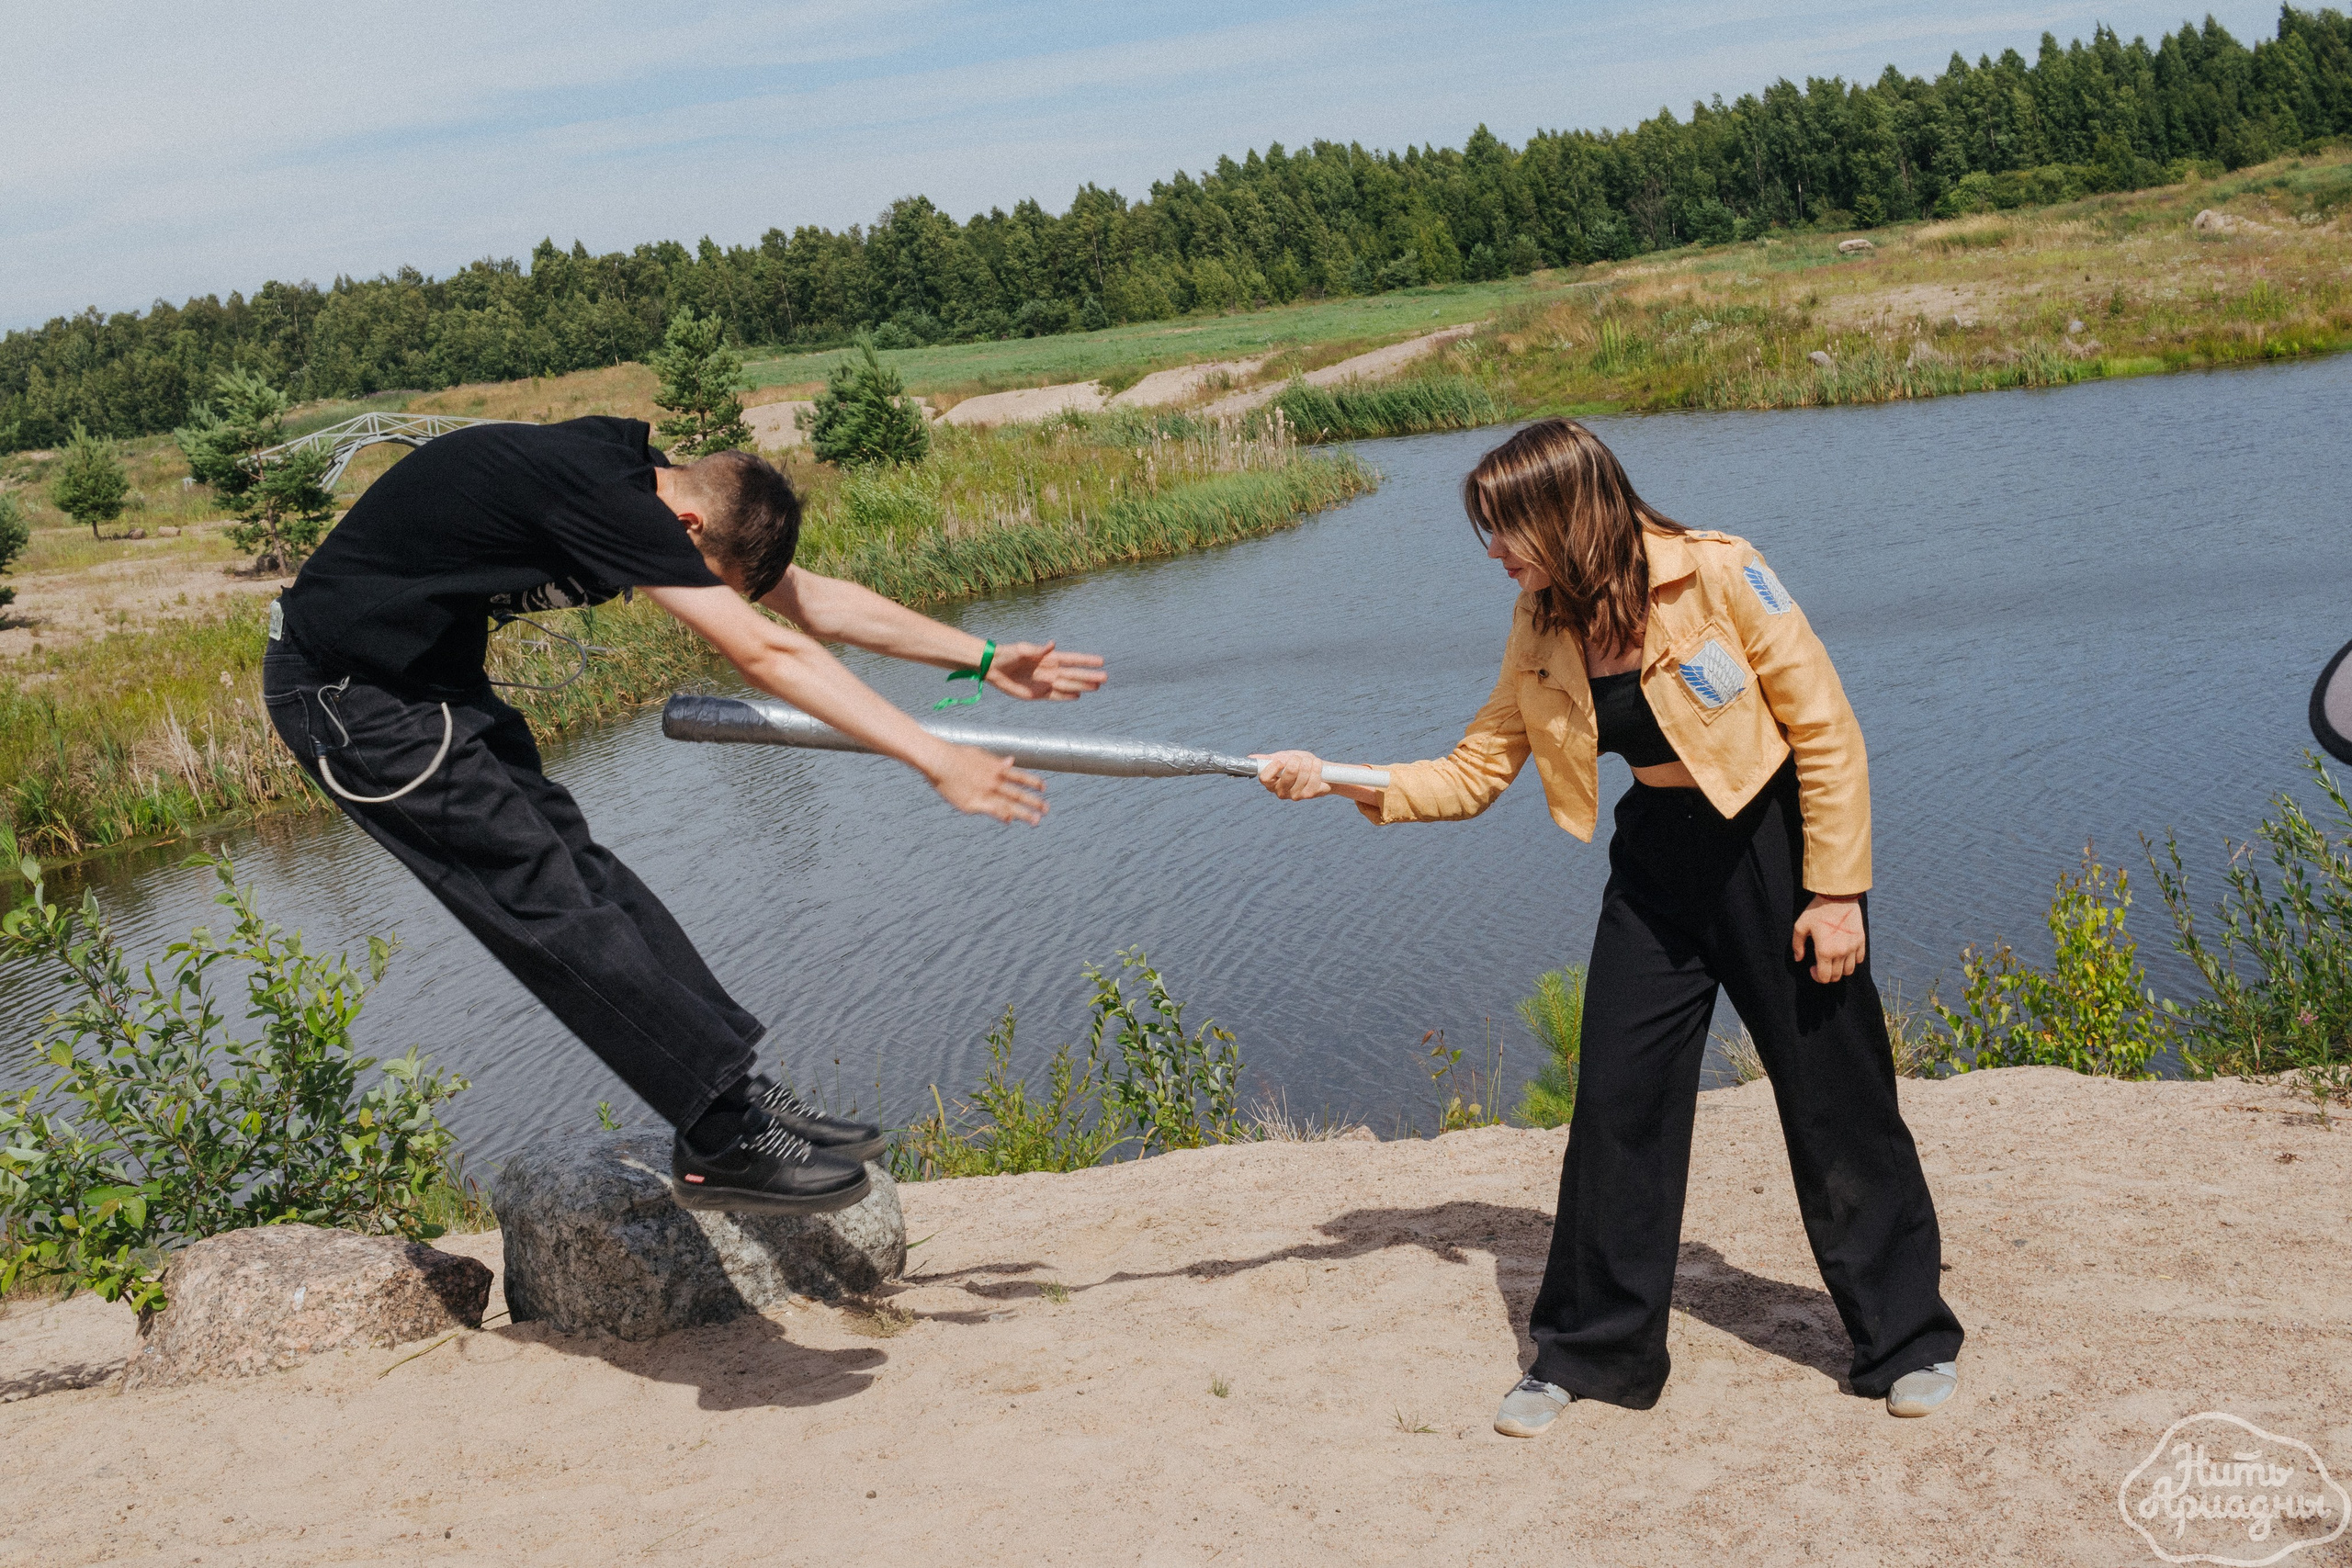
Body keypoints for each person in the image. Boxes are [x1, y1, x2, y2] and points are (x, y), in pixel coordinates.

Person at [1253, 418, 1964, 1432]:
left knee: (1835, 1100)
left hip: (1772, 847)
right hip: (1657, 864)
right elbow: (1473, 770)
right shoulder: (1542, 622)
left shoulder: (1719, 573)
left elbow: (1826, 730)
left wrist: (1835, 892)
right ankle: (1589, 1352)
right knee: (1616, 1100)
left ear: (1566, 512)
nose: (1492, 554)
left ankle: (1905, 1340)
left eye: (1505, 532)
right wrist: (1334, 778)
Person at [263, 416, 1105, 1215]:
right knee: (548, 904)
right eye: (711, 581)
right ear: (690, 525)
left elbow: (813, 606)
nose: (711, 596)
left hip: (426, 684)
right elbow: (764, 647)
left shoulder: (663, 488)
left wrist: (984, 656)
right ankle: (717, 1137)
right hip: (350, 701)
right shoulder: (609, 498)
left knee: (588, 874)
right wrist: (934, 755)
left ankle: (736, 1094)